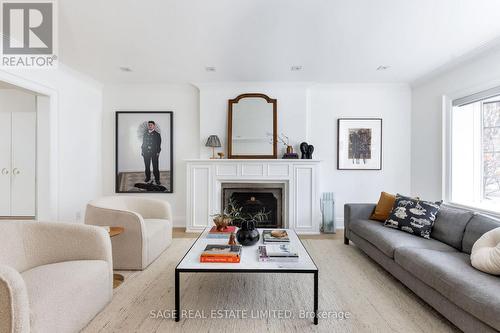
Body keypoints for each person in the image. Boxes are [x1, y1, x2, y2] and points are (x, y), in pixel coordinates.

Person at [141, 121, 161, 185]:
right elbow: (143, 143)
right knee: (147, 166)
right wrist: (142, 151)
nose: (150, 126)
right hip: (146, 152)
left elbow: (158, 144)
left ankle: (157, 179)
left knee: (155, 167)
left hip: (154, 152)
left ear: (154, 126)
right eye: (149, 125)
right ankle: (148, 177)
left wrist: (158, 152)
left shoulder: (157, 134)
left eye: (151, 125)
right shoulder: (145, 134)